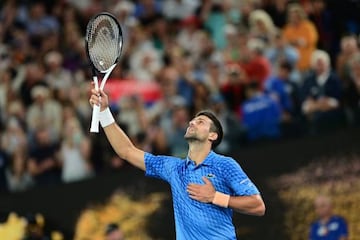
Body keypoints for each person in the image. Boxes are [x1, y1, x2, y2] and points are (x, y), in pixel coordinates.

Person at [89, 87, 265, 239]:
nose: (192, 122)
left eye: (200, 121)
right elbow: (126, 151)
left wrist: (215, 197)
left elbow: (258, 206)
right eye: (193, 120)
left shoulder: (225, 165)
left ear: (213, 135)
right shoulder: (173, 167)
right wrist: (104, 112)